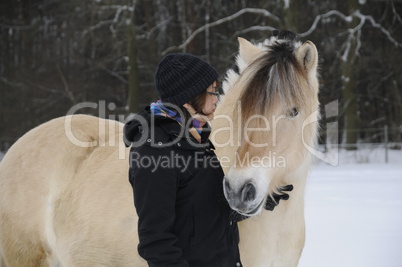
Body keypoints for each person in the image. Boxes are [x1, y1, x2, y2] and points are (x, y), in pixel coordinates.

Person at [123, 53, 292, 267]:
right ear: (189, 96)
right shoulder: (155, 149)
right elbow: (155, 241)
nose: (217, 98)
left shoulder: (196, 138)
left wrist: (252, 200)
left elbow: (202, 212)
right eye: (212, 91)